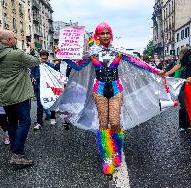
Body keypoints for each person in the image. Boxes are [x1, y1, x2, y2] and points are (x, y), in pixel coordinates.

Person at [55, 22, 167, 175]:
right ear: (97, 35)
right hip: (99, 90)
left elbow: (138, 62)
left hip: (116, 90)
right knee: (103, 123)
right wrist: (63, 56)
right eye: (102, 33)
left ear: (111, 34)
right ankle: (107, 157)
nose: (105, 36)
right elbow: (79, 66)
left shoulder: (117, 51)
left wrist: (157, 71)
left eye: (107, 33)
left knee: (114, 122)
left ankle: (116, 152)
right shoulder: (92, 52)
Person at [0, 30, 40, 166]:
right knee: (25, 122)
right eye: (15, 38)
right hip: (19, 96)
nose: (16, 40)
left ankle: (14, 148)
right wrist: (33, 48)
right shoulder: (16, 54)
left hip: (5, 97)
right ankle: (17, 154)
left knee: (12, 122)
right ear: (9, 40)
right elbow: (36, 61)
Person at [30, 50, 57, 130]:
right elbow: (31, 74)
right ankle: (39, 122)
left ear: (47, 58)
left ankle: (53, 118)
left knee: (52, 103)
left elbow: (55, 76)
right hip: (39, 88)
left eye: (45, 58)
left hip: (49, 89)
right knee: (39, 106)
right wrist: (32, 78)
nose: (44, 60)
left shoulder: (51, 66)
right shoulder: (36, 66)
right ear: (40, 57)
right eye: (42, 58)